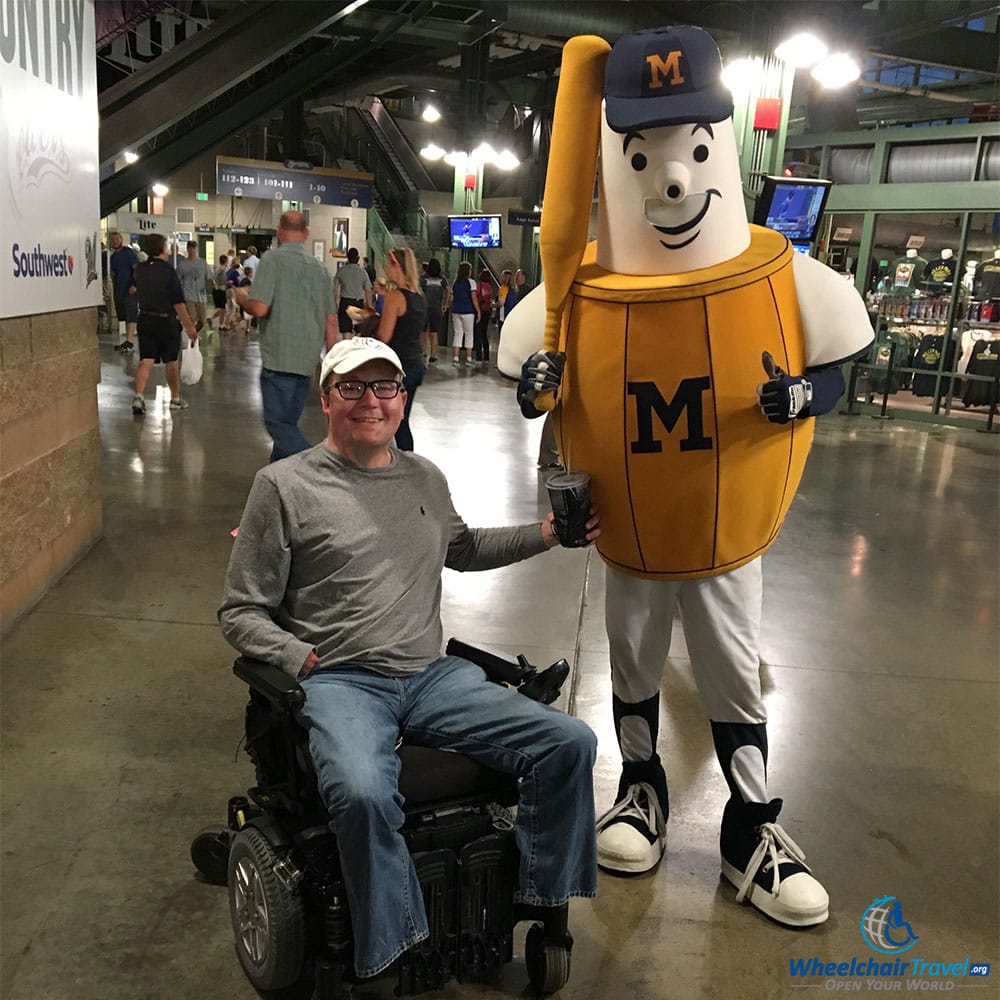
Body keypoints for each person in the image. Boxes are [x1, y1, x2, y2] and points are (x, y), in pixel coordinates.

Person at [509, 26, 873, 928]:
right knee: (629, 659)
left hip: (723, 534)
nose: (672, 179)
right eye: (644, 154)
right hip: (626, 536)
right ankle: (642, 789)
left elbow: (839, 363)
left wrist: (805, 393)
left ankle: (751, 826)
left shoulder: (781, 275)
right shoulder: (571, 296)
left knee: (729, 669)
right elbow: (535, 393)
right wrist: (536, 387)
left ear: (722, 147)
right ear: (615, 159)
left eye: (694, 149)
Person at [218, 336, 600, 983]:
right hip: (340, 680)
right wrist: (297, 657)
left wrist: (546, 534)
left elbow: (464, 547)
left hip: (430, 676)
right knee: (364, 792)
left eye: (385, 387)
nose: (371, 401)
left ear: (402, 398)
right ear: (326, 398)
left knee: (568, 742)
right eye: (352, 388)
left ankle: (542, 902)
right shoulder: (283, 486)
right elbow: (239, 612)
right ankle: (395, 950)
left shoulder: (424, 476)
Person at [233, 211, 338, 462]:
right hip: (306, 362)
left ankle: (315, 468)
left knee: (278, 424)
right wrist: (333, 367)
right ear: (306, 234)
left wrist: (242, 300)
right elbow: (330, 321)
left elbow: (259, 308)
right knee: (288, 421)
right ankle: (280, 480)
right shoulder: (320, 269)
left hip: (278, 358)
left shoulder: (272, 260)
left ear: (279, 231)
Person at [130, 232, 199, 414]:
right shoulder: (168, 272)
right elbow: (178, 303)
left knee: (146, 359)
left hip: (145, 318)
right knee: (171, 361)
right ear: (162, 249)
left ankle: (138, 396)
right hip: (166, 321)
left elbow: (134, 289)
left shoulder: (140, 269)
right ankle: (175, 399)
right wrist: (189, 326)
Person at [374, 247, 426, 451]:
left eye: (389, 264)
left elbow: (384, 336)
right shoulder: (418, 296)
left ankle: (397, 462)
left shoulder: (395, 297)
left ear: (397, 266)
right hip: (415, 363)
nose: (386, 269)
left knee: (393, 422)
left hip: (397, 366)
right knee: (402, 419)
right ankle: (407, 461)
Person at [109, 231, 139, 352]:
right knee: (124, 315)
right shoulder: (113, 257)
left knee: (131, 314)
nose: (115, 241)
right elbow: (114, 274)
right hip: (119, 290)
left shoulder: (129, 253)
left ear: (121, 240)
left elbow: (137, 269)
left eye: (117, 239)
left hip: (129, 290)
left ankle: (130, 341)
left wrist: (135, 284)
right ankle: (127, 341)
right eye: (113, 239)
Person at [175, 241, 213, 332]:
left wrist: (213, 283)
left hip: (201, 295)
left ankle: (193, 333)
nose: (192, 251)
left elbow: (209, 276)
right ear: (188, 249)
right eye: (190, 249)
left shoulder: (203, 263)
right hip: (188, 294)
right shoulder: (182, 264)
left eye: (194, 249)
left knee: (202, 320)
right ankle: (192, 338)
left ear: (196, 249)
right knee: (192, 318)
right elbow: (177, 279)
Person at [334, 248, 373, 335]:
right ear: (358, 258)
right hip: (358, 304)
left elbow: (335, 290)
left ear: (347, 257)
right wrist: (369, 306)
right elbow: (368, 290)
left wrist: (335, 304)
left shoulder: (341, 271)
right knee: (357, 331)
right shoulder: (363, 272)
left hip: (345, 303)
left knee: (346, 331)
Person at [448, 260, 479, 366]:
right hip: (468, 311)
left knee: (458, 334)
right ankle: (469, 359)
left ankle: (455, 358)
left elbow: (451, 298)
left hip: (456, 311)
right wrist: (478, 311)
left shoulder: (455, 282)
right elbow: (474, 298)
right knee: (469, 334)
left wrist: (448, 307)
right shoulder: (471, 282)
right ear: (468, 271)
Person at [420, 258, 447, 364]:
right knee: (434, 332)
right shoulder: (442, 279)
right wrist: (445, 304)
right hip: (437, 308)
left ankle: (423, 352)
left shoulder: (424, 279)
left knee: (423, 331)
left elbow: (419, 290)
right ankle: (433, 355)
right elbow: (449, 290)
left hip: (425, 307)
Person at [473, 268, 495, 368]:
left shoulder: (479, 286)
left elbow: (475, 298)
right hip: (487, 311)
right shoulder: (489, 287)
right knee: (484, 334)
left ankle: (478, 356)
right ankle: (486, 356)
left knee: (477, 334)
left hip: (480, 311)